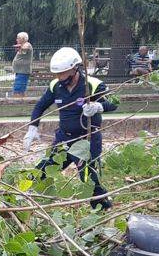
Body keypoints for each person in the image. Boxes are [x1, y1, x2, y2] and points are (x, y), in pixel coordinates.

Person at [24, 47, 118, 210]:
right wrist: (33, 127)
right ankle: (27, 201)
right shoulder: (55, 86)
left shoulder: (93, 84)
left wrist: (98, 106)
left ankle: (103, 208)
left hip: (87, 139)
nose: (60, 77)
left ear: (75, 69)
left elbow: (114, 103)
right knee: (43, 170)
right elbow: (40, 106)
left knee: (88, 178)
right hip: (64, 139)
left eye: (64, 73)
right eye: (57, 74)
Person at [12, 32, 33, 96]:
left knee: (18, 87)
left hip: (23, 71)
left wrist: (19, 46)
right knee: (20, 87)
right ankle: (21, 100)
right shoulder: (22, 46)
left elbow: (25, 48)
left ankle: (17, 100)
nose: (16, 40)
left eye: (18, 38)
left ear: (23, 39)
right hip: (19, 71)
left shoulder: (27, 44)